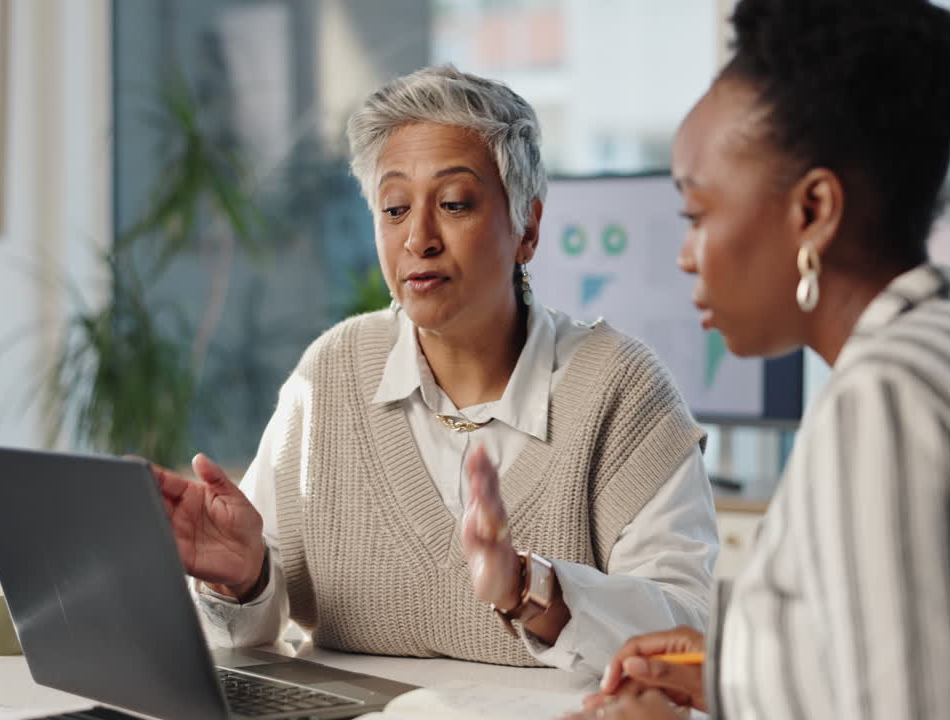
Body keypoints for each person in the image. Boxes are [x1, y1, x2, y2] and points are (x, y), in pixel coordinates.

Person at [568, 1, 950, 718]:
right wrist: (745, 677)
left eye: (696, 215)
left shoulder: (887, 408)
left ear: (813, 211)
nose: (685, 255)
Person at [153, 65, 718, 677]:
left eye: (453, 203)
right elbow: (253, 636)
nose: (418, 237)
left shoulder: (620, 389)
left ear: (527, 226)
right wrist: (245, 579)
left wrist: (530, 588)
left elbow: (688, 637)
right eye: (394, 208)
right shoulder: (333, 375)